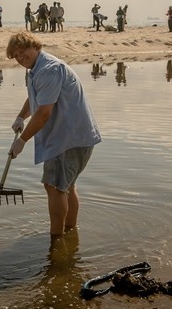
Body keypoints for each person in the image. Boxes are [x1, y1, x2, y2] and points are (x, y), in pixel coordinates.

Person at [5, 31, 101, 236]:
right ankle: (69, 231)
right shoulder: (36, 69)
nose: (21, 59)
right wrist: (21, 116)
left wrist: (22, 141)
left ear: (35, 46)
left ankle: (57, 240)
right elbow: (36, 99)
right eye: (16, 57)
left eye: (23, 53)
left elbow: (44, 113)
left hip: (68, 139)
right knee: (65, 186)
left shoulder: (49, 70)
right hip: (74, 137)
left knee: (54, 187)